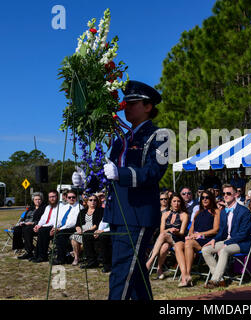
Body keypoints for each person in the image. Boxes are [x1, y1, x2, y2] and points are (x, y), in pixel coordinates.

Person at [71, 80, 168, 300]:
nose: (126, 107)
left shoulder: (161, 136)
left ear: (148, 106)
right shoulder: (121, 139)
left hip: (138, 214)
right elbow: (107, 175)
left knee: (122, 273)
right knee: (135, 273)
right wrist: (86, 182)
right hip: (118, 214)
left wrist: (122, 174)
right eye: (126, 102)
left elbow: (155, 172)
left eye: (132, 103)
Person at [202, 184, 251, 289]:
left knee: (224, 250)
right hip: (227, 241)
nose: (225, 195)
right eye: (223, 193)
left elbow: (243, 234)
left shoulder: (244, 211)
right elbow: (221, 232)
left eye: (228, 193)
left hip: (241, 243)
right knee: (205, 249)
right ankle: (221, 280)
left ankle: (215, 280)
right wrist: (214, 240)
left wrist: (227, 243)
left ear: (236, 195)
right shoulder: (223, 211)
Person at [176, 190, 221, 287]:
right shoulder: (197, 212)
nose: (204, 199)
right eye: (202, 198)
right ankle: (185, 274)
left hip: (206, 239)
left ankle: (187, 276)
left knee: (189, 243)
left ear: (212, 199)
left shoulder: (216, 211)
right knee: (178, 245)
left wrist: (199, 234)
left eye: (207, 197)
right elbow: (192, 228)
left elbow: (216, 230)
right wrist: (191, 234)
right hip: (195, 239)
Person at [146, 193, 189, 279]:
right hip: (166, 239)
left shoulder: (184, 215)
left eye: (178, 201)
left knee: (163, 235)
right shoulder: (165, 214)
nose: (176, 203)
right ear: (171, 203)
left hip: (178, 239)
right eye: (174, 201)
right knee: (164, 247)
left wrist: (176, 232)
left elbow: (182, 233)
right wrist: (169, 230)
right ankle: (159, 268)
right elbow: (162, 231)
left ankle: (150, 261)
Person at [70, 194, 103, 267]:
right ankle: (76, 258)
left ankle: (76, 253)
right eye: (90, 200)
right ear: (87, 202)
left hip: (92, 229)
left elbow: (97, 224)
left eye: (95, 200)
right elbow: (78, 224)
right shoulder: (82, 211)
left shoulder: (100, 210)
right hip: (82, 229)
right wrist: (79, 230)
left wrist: (86, 231)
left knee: (85, 237)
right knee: (74, 238)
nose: (93, 202)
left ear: (97, 202)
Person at [51, 190, 81, 265]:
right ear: (66, 198)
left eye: (73, 197)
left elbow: (73, 222)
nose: (71, 199)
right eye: (69, 197)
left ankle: (61, 259)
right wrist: (54, 227)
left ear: (76, 198)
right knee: (43, 231)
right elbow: (59, 219)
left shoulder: (79, 207)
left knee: (60, 234)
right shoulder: (65, 207)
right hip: (62, 227)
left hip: (74, 227)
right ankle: (41, 255)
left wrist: (59, 229)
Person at [14, 192, 46, 260]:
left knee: (27, 230)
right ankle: (23, 247)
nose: (37, 201)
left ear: (42, 200)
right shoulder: (31, 208)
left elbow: (43, 219)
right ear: (33, 200)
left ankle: (29, 252)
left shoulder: (44, 208)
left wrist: (32, 223)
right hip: (26, 224)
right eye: (36, 199)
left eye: (39, 199)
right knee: (16, 229)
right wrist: (22, 222)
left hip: (36, 226)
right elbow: (25, 217)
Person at [31, 190, 60, 263]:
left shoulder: (61, 207)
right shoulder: (48, 207)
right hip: (45, 226)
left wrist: (55, 228)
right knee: (40, 230)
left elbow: (60, 219)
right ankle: (37, 255)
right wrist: (38, 225)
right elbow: (43, 218)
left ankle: (43, 256)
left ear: (57, 197)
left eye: (53, 197)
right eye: (50, 197)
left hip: (54, 226)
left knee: (42, 231)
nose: (51, 199)